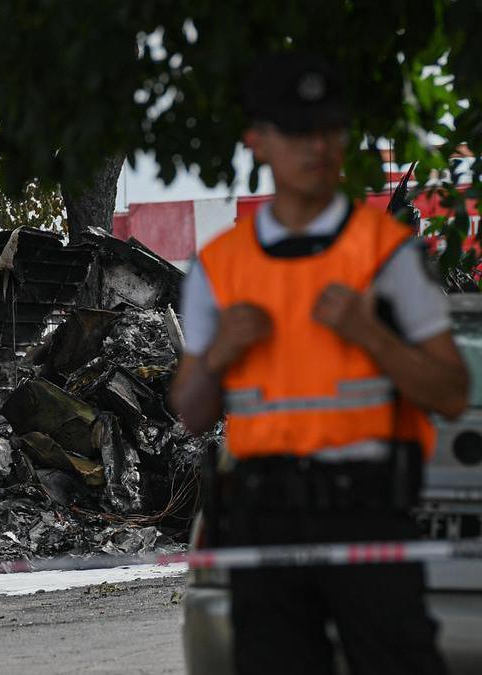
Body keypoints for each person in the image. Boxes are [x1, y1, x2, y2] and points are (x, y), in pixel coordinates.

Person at [169, 53, 468, 675]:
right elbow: (192, 413)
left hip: (368, 513)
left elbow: (451, 393)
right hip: (264, 521)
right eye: (299, 131)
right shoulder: (219, 269)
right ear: (259, 141)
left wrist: (374, 337)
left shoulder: (388, 257)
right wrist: (221, 353)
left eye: (330, 129)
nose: (319, 147)